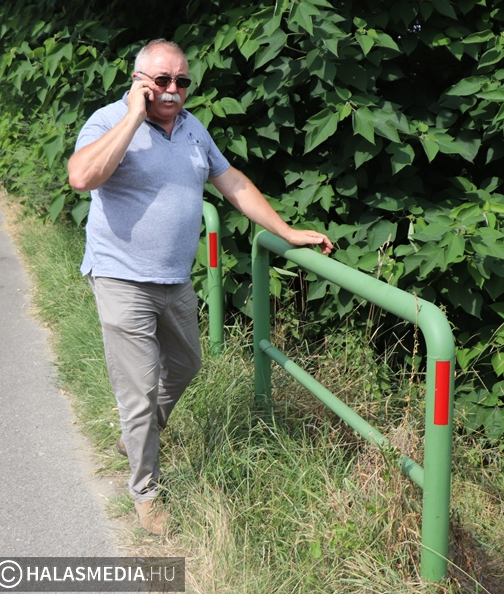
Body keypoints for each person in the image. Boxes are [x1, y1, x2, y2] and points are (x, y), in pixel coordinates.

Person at [68, 38, 333, 534]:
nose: (172, 89)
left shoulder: (193, 129)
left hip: (175, 278)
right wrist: (133, 117)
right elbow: (82, 177)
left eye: (181, 80)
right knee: (140, 391)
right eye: (161, 80)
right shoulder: (108, 121)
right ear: (139, 81)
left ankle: (137, 437)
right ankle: (146, 491)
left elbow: (233, 184)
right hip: (121, 277)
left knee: (188, 363)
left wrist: (287, 232)